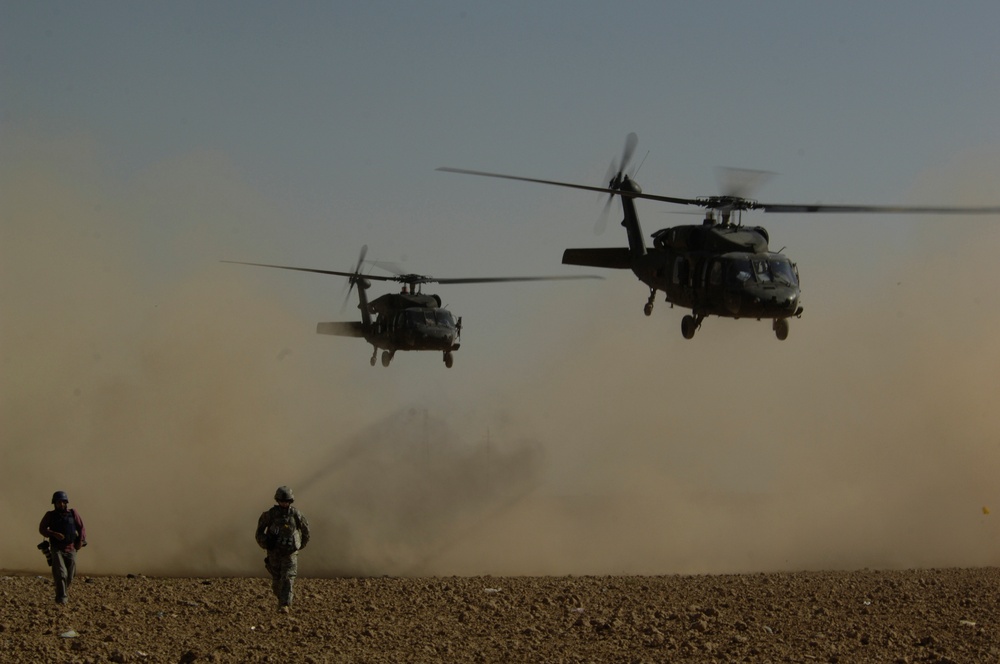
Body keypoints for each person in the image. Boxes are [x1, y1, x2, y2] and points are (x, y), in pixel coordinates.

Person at [255, 486, 310, 613]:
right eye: (282, 501)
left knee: (288, 578)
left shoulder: (296, 514)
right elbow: (259, 533)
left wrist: (301, 545)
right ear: (277, 500)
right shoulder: (270, 515)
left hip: (290, 553)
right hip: (274, 553)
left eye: (287, 501)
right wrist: (267, 542)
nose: (284, 503)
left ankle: (284, 605)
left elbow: (305, 530)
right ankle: (282, 599)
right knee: (276, 582)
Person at [38, 491, 87, 605]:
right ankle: (61, 598)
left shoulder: (73, 513)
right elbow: (42, 529)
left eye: (62, 502)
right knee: (61, 573)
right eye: (58, 502)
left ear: (66, 503)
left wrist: (80, 541)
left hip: (71, 548)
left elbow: (81, 528)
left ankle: (61, 591)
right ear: (54, 503)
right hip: (57, 548)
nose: (60, 504)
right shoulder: (50, 515)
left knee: (70, 575)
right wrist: (54, 534)